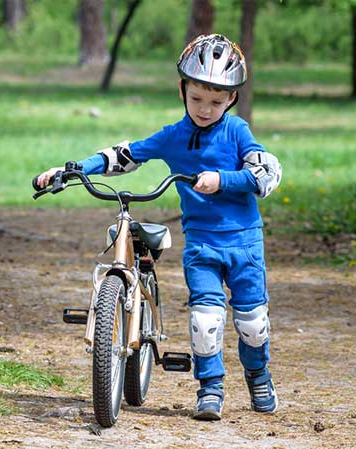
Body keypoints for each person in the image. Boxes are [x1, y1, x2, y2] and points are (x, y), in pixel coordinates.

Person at [35, 34, 282, 421]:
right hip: (202, 244)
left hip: (244, 242)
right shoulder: (173, 136)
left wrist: (223, 179)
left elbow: (267, 173)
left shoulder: (237, 132)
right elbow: (124, 156)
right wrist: (71, 170)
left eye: (217, 102)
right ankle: (210, 388)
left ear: (231, 99)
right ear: (182, 89)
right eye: (197, 98)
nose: (205, 109)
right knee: (206, 321)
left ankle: (258, 374)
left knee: (252, 324)